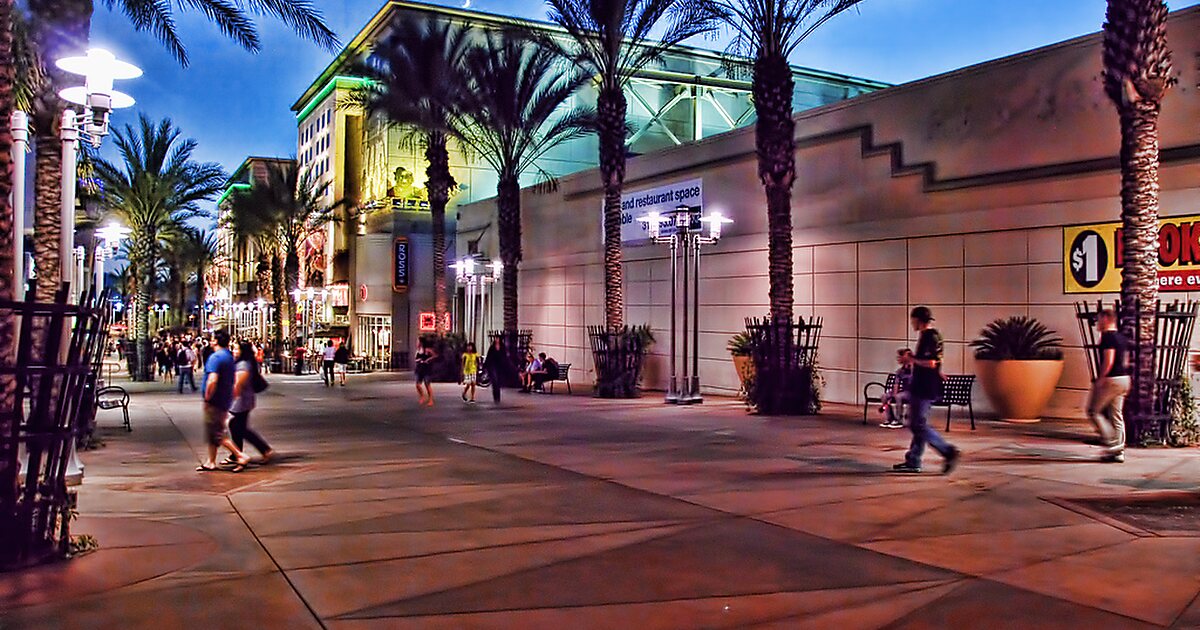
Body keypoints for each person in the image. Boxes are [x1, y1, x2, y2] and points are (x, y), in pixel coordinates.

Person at [893, 306, 961, 474]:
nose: (912, 323)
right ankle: (913, 460)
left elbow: (930, 362)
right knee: (918, 423)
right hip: (926, 385)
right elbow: (936, 363)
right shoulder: (933, 336)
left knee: (917, 424)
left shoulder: (929, 337)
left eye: (913, 320)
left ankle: (947, 451)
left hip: (923, 387)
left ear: (918, 320)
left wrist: (911, 359)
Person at [197, 330, 250, 473]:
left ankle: (240, 455)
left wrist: (208, 398)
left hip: (215, 400)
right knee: (213, 431)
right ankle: (211, 461)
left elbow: (212, 380)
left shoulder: (215, 358)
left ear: (215, 341)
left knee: (217, 433)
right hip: (224, 400)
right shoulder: (229, 357)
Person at [1088, 308, 1131, 463]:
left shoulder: (1107, 338)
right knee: (1116, 415)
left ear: (1106, 319)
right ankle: (1118, 452)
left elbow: (1109, 360)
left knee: (1093, 411)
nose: (1097, 324)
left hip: (1111, 379)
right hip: (1124, 379)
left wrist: (1101, 378)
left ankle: (1112, 444)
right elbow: (1125, 360)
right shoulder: (1122, 338)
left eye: (1099, 320)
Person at [228, 340, 275, 466]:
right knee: (235, 426)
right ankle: (237, 454)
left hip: (241, 401)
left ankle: (264, 449)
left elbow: (238, 384)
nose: (234, 351)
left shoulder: (243, 365)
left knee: (240, 428)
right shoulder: (243, 363)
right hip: (244, 400)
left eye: (236, 349)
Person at [879, 348, 913, 429]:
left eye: (901, 357)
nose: (899, 359)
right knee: (884, 396)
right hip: (904, 391)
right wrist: (893, 395)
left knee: (899, 397)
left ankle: (899, 420)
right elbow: (896, 384)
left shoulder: (915, 369)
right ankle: (890, 418)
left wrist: (911, 366)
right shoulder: (900, 371)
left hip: (913, 392)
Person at [482, 337, 510, 404]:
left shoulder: (502, 348)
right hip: (492, 366)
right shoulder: (492, 348)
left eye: (498, 339)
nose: (497, 340)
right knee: (495, 381)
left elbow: (505, 357)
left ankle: (498, 397)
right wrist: (485, 366)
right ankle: (495, 397)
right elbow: (489, 357)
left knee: (498, 382)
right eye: (496, 339)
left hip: (499, 366)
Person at [414, 341, 437, 406]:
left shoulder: (427, 350)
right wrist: (418, 360)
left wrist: (428, 360)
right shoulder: (417, 351)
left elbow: (435, 356)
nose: (417, 343)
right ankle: (422, 396)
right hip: (419, 369)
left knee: (427, 384)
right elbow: (416, 359)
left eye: (418, 342)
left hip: (426, 369)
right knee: (417, 384)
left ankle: (430, 400)